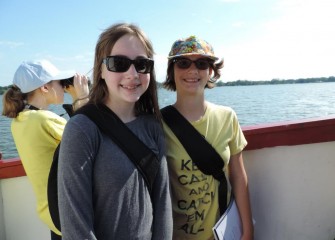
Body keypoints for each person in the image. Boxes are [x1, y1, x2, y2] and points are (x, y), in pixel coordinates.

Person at [57, 23, 172, 240]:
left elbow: (162, 203)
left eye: (141, 64)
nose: (132, 73)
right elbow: (76, 227)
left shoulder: (153, 127)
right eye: (119, 63)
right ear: (100, 70)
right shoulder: (82, 129)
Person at [162, 35, 254, 240]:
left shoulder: (227, 117)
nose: (193, 70)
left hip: (222, 232)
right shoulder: (157, 124)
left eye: (202, 64)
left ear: (210, 71)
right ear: (172, 70)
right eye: (183, 63)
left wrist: (248, 231)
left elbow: (238, 176)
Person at [2, 59, 89, 240]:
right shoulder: (45, 120)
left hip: (51, 214)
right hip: (70, 213)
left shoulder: (19, 121)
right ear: (44, 88)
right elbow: (89, 142)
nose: (63, 87)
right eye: (59, 82)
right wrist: (82, 98)